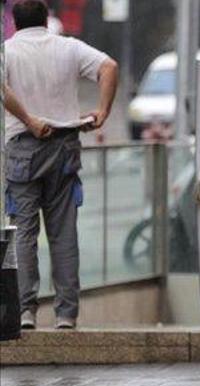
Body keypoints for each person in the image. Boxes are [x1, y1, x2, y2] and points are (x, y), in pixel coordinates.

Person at [3, 0, 118, 330]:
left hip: (23, 146)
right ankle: (66, 314)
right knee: (64, 232)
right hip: (65, 145)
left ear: (16, 20)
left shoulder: (8, 52)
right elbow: (109, 67)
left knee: (23, 233)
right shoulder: (68, 48)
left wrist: (28, 119)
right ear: (45, 18)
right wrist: (102, 111)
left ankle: (25, 312)